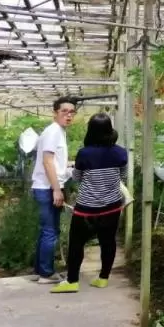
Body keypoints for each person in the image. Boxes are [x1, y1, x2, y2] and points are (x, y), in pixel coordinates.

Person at [51, 113, 128, 293]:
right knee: (108, 242)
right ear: (110, 130)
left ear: (90, 131)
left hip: (87, 209)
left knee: (77, 243)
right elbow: (123, 176)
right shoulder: (121, 152)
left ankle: (72, 281)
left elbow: (77, 177)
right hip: (112, 207)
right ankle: (103, 278)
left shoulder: (84, 153)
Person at [31, 95, 76, 283]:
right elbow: (47, 161)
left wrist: (68, 166)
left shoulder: (58, 131)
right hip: (48, 188)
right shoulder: (53, 132)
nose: (69, 115)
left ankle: (40, 270)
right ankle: (46, 274)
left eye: (72, 112)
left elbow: (53, 161)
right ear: (55, 113)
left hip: (46, 186)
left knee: (45, 231)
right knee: (51, 231)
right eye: (64, 111)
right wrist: (56, 190)